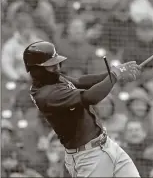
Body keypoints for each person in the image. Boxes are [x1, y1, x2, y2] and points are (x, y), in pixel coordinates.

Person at [23, 40, 141, 177]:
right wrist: (115, 75)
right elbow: (90, 97)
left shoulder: (53, 79)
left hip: (107, 145)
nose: (57, 68)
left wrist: (115, 72)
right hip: (87, 157)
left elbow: (80, 82)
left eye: (56, 63)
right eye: (51, 65)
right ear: (36, 69)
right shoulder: (47, 95)